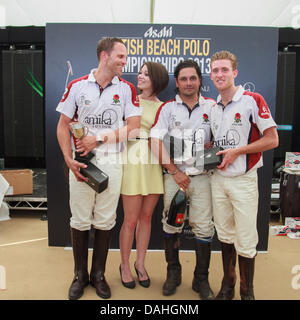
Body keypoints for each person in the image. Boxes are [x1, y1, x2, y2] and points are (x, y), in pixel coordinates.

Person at [56, 37, 142, 300]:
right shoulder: (77, 86)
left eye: (125, 57)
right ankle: (80, 276)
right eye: (121, 57)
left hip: (112, 161)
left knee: (105, 219)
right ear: (104, 56)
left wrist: (100, 138)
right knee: (80, 219)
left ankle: (99, 275)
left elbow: (135, 127)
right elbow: (62, 126)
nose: (124, 62)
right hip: (82, 161)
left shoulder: (127, 89)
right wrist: (68, 159)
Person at [209, 50, 279, 300]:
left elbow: (272, 139)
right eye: (215, 70)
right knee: (225, 235)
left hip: (244, 180)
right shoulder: (213, 107)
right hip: (218, 180)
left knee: (247, 239)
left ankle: (246, 291)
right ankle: (228, 285)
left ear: (235, 73)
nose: (219, 74)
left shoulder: (252, 99)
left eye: (224, 70)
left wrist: (238, 151)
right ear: (211, 74)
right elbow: (216, 145)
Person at [149, 60, 215, 300]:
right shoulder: (167, 109)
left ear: (199, 80)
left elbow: (222, 142)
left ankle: (201, 279)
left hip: (203, 178)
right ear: (177, 82)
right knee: (171, 224)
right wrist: (174, 171)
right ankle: (173, 274)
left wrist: (212, 148)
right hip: (174, 177)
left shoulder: (213, 106)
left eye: (193, 78)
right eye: (184, 79)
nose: (189, 83)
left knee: (204, 226)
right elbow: (154, 141)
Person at [119, 62, 169, 289]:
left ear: (156, 79)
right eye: (140, 72)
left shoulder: (163, 107)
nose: (140, 76)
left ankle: (140, 263)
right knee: (130, 219)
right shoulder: (129, 99)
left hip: (153, 162)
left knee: (146, 218)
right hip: (131, 160)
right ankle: (125, 265)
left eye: (146, 74)